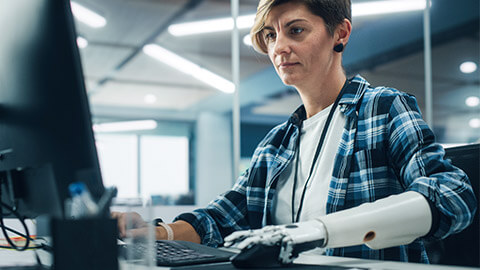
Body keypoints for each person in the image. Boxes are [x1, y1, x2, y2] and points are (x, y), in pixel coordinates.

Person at [112, 0, 477, 264]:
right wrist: (156, 233)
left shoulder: (383, 109)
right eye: (271, 35)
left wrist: (316, 230)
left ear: (341, 33)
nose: (279, 47)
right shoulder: (277, 144)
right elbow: (223, 217)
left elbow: (452, 196)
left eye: (296, 30)